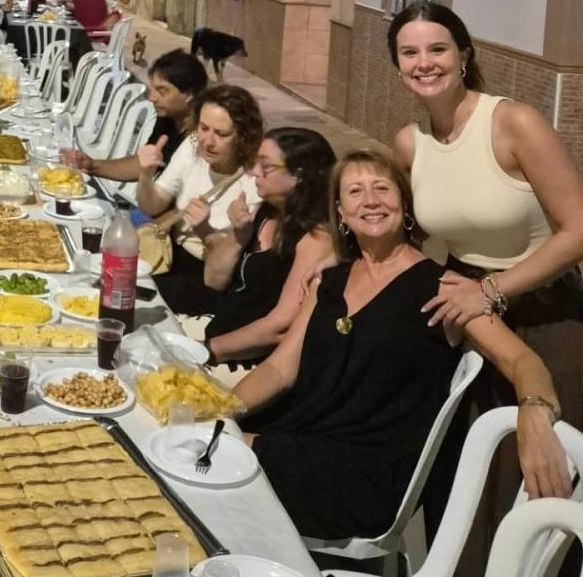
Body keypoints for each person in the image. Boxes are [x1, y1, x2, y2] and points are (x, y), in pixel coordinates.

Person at [233, 151, 571, 542]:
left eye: (382, 188)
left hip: (366, 474)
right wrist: (220, 411)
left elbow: (522, 359)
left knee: (214, 460)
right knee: (204, 445)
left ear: (405, 208)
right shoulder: (328, 282)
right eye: (355, 191)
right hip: (303, 440)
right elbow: (279, 368)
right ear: (340, 213)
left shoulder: (442, 288)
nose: (370, 200)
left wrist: (534, 412)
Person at [388, 1, 583, 560]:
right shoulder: (410, 142)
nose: (425, 62)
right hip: (469, 319)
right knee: (463, 482)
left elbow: (577, 229)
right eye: (410, 52)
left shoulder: (512, 122)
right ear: (398, 66)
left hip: (545, 313)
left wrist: (492, 290)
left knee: (533, 485)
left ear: (464, 54)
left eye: (437, 48)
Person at [196, 128, 336, 370]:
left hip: (249, 360)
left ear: (299, 175)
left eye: (266, 166)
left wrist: (204, 350)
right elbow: (212, 280)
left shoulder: (316, 238)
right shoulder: (264, 211)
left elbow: (280, 326)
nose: (254, 172)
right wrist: (238, 237)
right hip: (218, 329)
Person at [137, 84, 263, 315]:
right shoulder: (193, 145)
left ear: (245, 136)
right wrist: (145, 175)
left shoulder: (253, 180)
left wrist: (205, 230)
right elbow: (151, 205)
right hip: (169, 255)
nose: (208, 141)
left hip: (208, 277)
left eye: (222, 134)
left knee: (134, 298)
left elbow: (224, 271)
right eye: (204, 128)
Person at [73, 50, 208, 182]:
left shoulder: (205, 135)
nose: (151, 98)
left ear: (189, 94)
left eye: (162, 91)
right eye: (152, 89)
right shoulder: (168, 118)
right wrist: (91, 165)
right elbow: (143, 164)